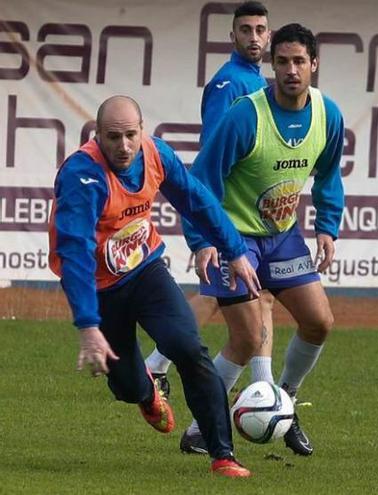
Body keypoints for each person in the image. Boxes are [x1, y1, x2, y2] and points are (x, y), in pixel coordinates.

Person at [48, 95, 261, 477]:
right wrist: (87, 326)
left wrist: (235, 250)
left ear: (142, 131)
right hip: (98, 288)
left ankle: (222, 454)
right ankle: (146, 392)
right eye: (113, 137)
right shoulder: (83, 176)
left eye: (131, 135)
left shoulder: (155, 154)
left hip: (145, 271)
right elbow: (76, 255)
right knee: (127, 387)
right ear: (97, 135)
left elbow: (196, 200)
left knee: (188, 347)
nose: (124, 146)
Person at [182, 22, 345, 458]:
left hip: (281, 235)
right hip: (234, 240)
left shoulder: (328, 114)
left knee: (319, 322)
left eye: (298, 62)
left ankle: (283, 403)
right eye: (282, 62)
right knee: (248, 339)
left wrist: (327, 226)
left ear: (314, 64)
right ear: (271, 66)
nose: (290, 70)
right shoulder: (245, 115)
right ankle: (202, 427)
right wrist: (202, 241)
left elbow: (329, 175)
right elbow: (200, 181)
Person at [142, 3, 278, 448]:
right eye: (245, 30)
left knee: (244, 298)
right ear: (232, 34)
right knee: (235, 298)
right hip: (229, 212)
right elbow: (217, 155)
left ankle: (260, 391)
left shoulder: (256, 79)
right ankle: (174, 376)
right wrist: (208, 230)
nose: (254, 37)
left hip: (248, 211)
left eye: (260, 30)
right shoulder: (229, 82)